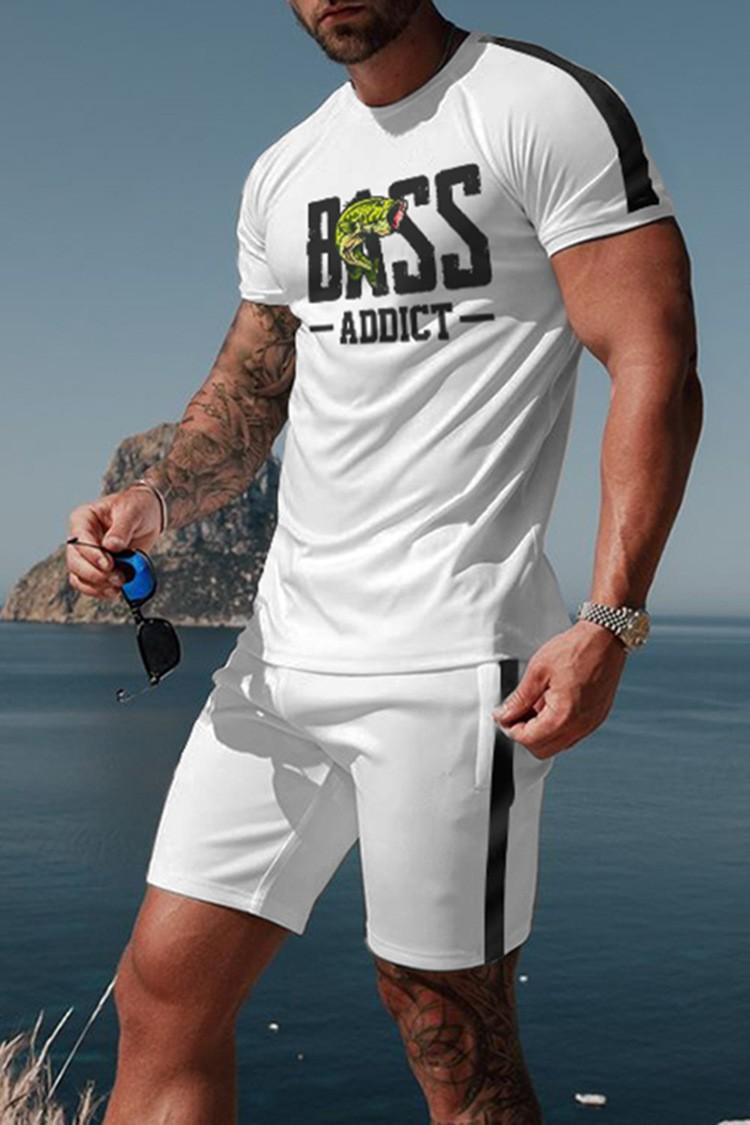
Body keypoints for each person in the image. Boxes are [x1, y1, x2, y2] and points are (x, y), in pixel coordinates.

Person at [65, 2, 703, 1121]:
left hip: (455, 666)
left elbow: (654, 357)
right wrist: (154, 499)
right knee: (162, 998)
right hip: (280, 664)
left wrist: (612, 619)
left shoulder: (539, 107)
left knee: (451, 1039)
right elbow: (253, 390)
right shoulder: (287, 168)